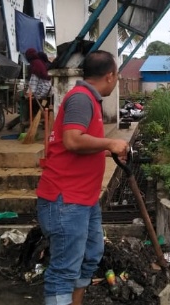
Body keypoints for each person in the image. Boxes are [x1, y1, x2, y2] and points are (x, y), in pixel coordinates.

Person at [36, 50, 130, 305]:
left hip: (83, 200)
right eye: (117, 76)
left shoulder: (89, 98)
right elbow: (73, 139)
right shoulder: (81, 98)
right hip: (66, 200)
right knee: (64, 269)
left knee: (91, 255)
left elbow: (83, 143)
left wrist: (106, 148)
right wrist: (110, 142)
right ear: (110, 75)